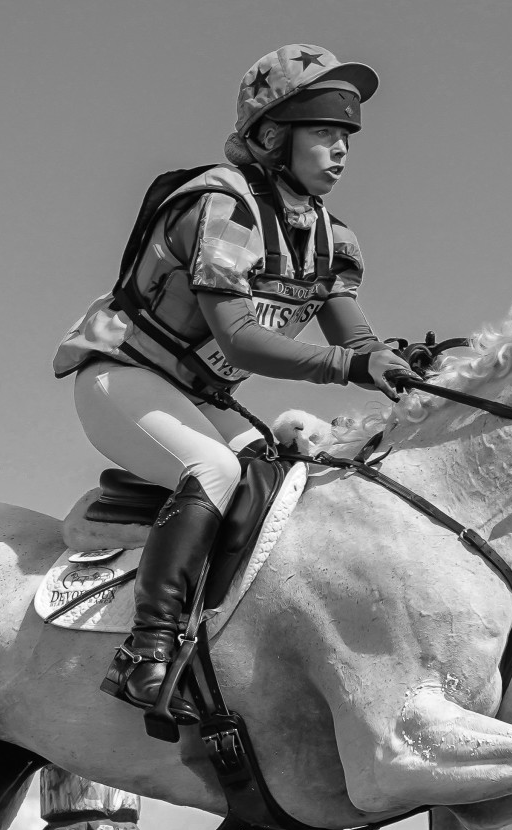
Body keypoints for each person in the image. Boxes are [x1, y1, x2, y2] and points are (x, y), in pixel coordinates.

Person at [53, 44, 417, 720]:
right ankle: (147, 650)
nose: (341, 150)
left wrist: (404, 368)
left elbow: (355, 339)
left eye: (347, 137)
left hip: (195, 395)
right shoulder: (224, 206)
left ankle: (224, 642)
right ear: (274, 136)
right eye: (326, 133)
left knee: (283, 488)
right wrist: (351, 367)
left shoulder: (331, 237)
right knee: (215, 470)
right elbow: (240, 337)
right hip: (121, 378)